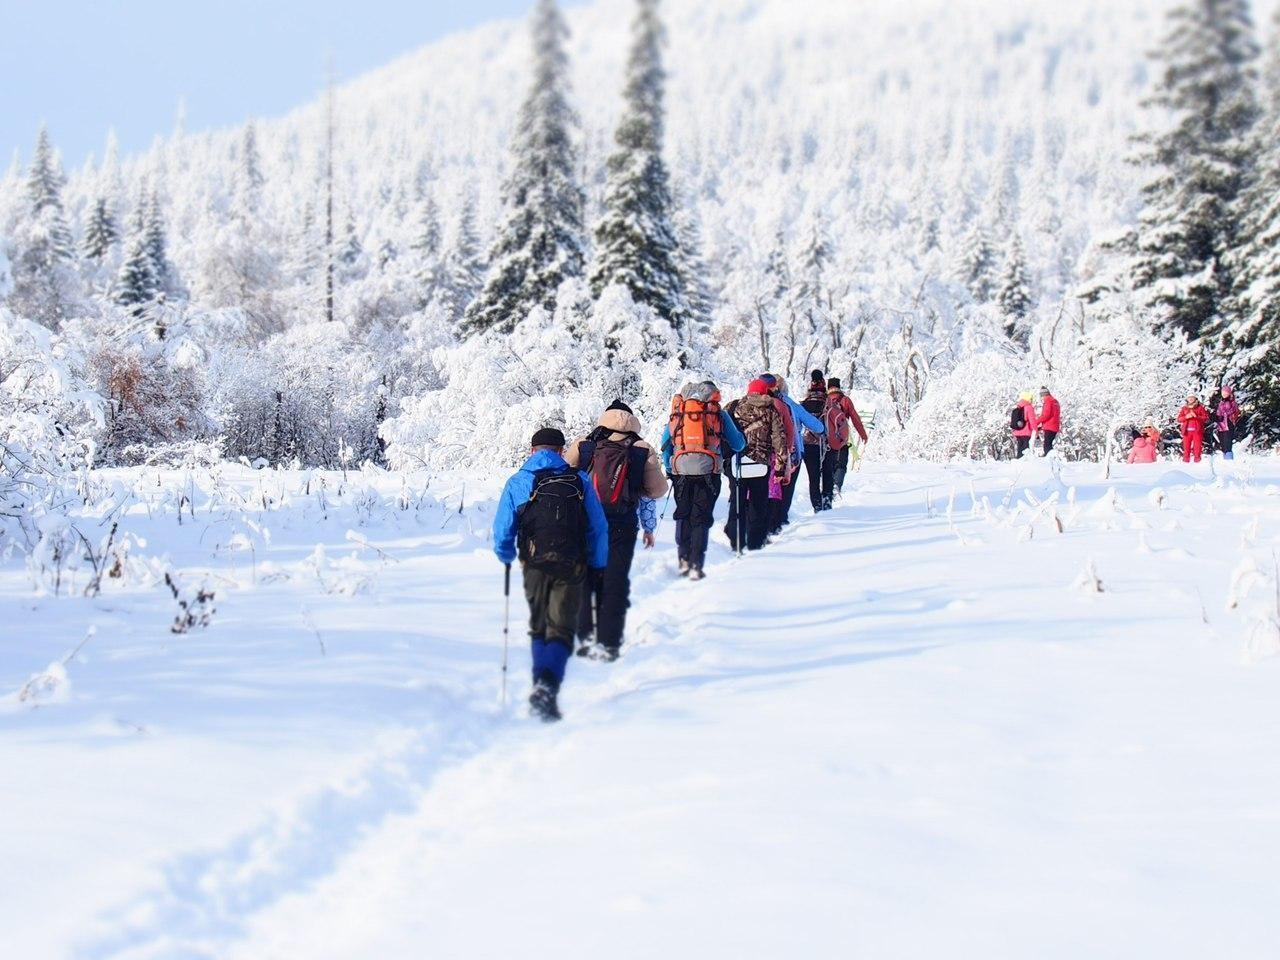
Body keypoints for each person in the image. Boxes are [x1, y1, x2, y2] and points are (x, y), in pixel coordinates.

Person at [493, 427, 609, 722]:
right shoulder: (579, 480)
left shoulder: (518, 481)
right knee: (561, 627)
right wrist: (598, 564)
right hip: (572, 561)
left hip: (533, 562)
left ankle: (540, 685)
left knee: (540, 625)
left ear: (532, 450)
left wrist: (505, 554)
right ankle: (547, 686)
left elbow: (502, 529)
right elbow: (598, 528)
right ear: (561, 450)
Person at [564, 400, 668, 662]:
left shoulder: (585, 445)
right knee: (615, 581)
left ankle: (585, 639)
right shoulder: (641, 449)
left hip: (587, 522)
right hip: (622, 522)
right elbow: (657, 491)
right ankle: (609, 643)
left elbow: (565, 475)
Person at [661, 381, 745, 580]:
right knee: (701, 516)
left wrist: (670, 468)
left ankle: (683, 558)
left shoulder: (678, 413)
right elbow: (739, 444)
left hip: (680, 471)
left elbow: (666, 445)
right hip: (709, 472)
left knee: (683, 513)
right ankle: (696, 563)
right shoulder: (718, 414)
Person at [725, 379, 790, 551]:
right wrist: (780, 467)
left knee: (736, 503)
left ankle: (735, 541)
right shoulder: (771, 409)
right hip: (760, 465)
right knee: (758, 505)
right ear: (764, 392)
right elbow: (779, 439)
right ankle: (755, 543)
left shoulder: (734, 406)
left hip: (737, 463)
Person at [762, 373, 820, 534]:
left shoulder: (759, 403)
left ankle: (766, 522)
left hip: (765, 453)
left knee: (768, 486)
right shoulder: (791, 405)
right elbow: (815, 425)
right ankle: (780, 520)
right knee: (786, 488)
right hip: (792, 454)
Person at [821, 378, 869, 510]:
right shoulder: (845, 400)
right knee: (841, 464)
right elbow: (855, 418)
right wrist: (863, 434)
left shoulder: (825, 400)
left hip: (826, 439)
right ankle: (837, 485)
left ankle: (827, 489)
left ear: (828, 387)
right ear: (838, 387)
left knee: (827, 465)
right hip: (842, 439)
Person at [800, 370, 829, 512]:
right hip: (826, 445)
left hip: (808, 445)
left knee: (814, 477)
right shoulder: (828, 401)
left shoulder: (803, 404)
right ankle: (827, 502)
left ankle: (817, 506)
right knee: (827, 474)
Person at [1177, 395, 1210, 464]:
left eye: (1192, 397)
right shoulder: (1184, 408)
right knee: (1186, 447)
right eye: (1189, 397)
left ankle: (1197, 461)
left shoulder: (1200, 407)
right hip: (1186, 431)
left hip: (1197, 430)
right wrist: (1186, 416)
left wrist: (1196, 416)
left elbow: (1205, 418)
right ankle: (1185, 461)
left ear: (1195, 398)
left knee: (1197, 447)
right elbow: (1179, 419)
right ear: (1187, 399)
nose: (1191, 399)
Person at [1214, 385, 1241, 460]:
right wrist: (1216, 417)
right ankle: (1225, 458)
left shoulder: (1232, 402)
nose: (1224, 394)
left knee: (1228, 442)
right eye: (1223, 392)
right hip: (1221, 425)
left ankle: (1229, 459)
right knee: (1222, 442)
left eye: (1226, 393)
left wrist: (1224, 415)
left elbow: (1234, 411)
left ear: (1229, 393)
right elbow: (1219, 412)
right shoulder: (1221, 402)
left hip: (1229, 424)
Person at [1011, 391, 1037, 458]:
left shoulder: (1018, 407)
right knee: (1026, 449)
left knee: (1020, 448)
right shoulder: (1029, 407)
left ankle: (1018, 462)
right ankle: (1025, 463)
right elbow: (1032, 420)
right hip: (1026, 431)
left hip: (1017, 431)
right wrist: (1035, 430)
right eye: (1031, 398)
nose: (1032, 400)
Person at [1036, 386, 1061, 455]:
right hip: (1055, 426)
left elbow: (1046, 415)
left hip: (1049, 426)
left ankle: (1050, 461)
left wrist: (1036, 422)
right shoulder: (1055, 401)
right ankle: (1051, 460)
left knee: (1047, 446)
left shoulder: (1048, 401)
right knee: (1048, 444)